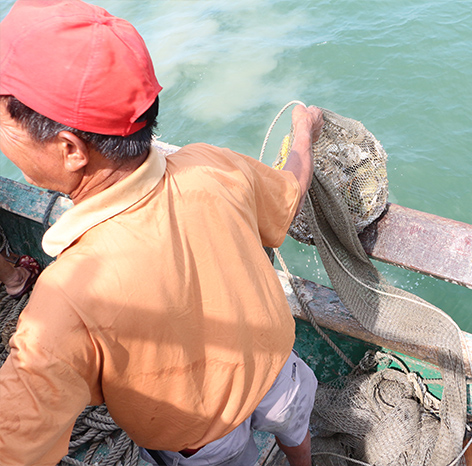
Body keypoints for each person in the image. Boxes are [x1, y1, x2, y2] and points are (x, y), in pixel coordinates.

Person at [0, 1, 323, 465]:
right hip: (277, 368)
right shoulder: (214, 164)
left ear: (70, 149)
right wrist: (304, 132)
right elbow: (288, 192)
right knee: (296, 426)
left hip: (203, 438)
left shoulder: (65, 301)